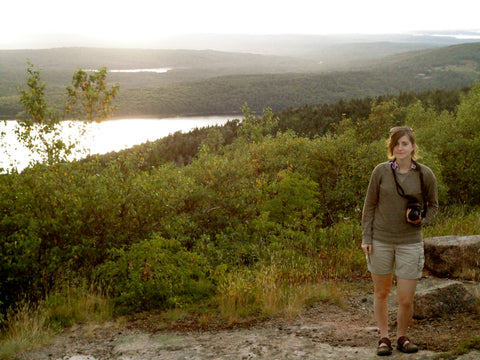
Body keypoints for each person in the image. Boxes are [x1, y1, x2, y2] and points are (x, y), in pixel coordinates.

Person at [361, 126, 438, 356]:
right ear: (391, 147)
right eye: (396, 144)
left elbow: (433, 206)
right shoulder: (381, 172)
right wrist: (367, 237)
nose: (400, 148)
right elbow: (369, 206)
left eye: (404, 143)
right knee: (381, 293)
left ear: (413, 146)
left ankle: (402, 337)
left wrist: (421, 220)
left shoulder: (425, 174)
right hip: (381, 240)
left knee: (405, 298)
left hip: (410, 242)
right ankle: (384, 337)